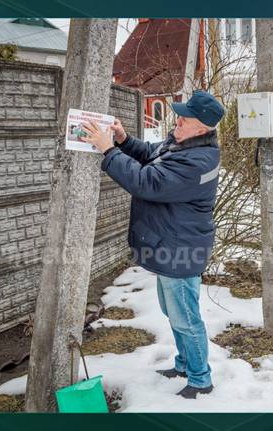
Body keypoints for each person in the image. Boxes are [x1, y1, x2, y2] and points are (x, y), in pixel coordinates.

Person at [82, 90, 224, 399]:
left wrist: (108, 151)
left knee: (185, 318)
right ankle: (185, 364)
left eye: (184, 119)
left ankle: (201, 379)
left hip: (181, 250)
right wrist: (122, 140)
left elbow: (147, 181)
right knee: (174, 313)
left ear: (201, 127)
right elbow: (150, 154)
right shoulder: (185, 144)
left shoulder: (196, 161)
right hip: (173, 245)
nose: (177, 122)